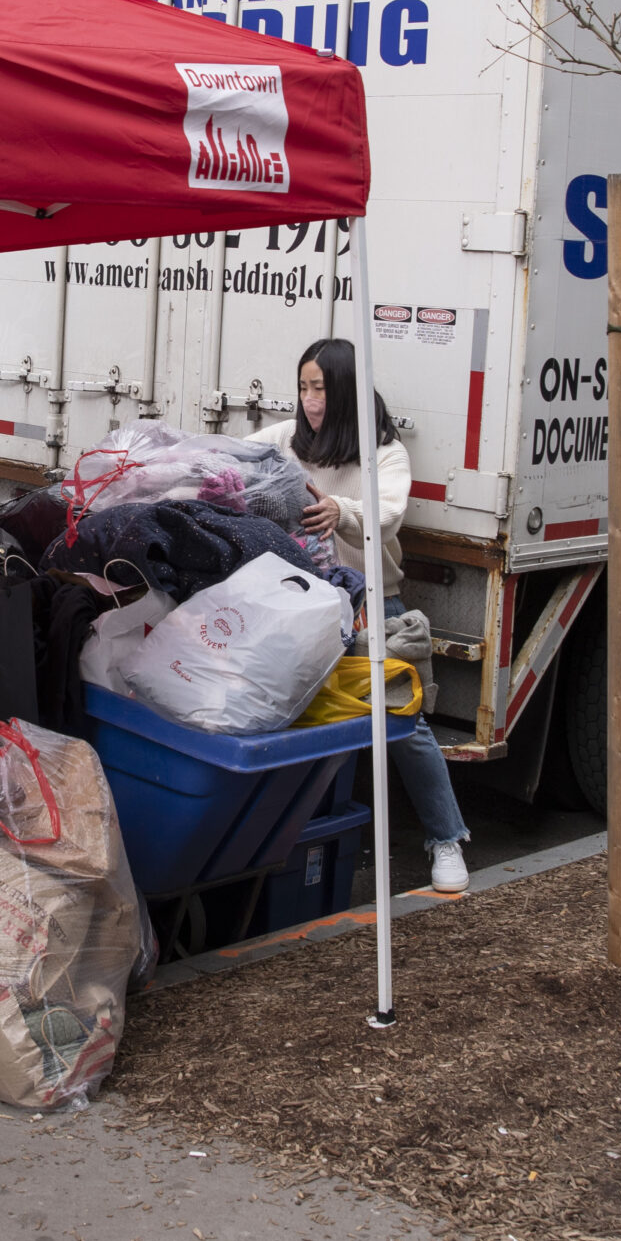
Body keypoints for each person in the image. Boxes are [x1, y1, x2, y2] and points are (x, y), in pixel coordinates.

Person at [255, 339, 471, 895]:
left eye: (320, 388)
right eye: (303, 387)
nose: (309, 401)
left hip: (374, 608)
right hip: (299, 606)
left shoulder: (385, 453)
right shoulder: (285, 439)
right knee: (288, 717)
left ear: (346, 391)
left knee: (404, 727)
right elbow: (234, 458)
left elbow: (389, 513)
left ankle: (446, 839)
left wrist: (341, 511)